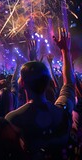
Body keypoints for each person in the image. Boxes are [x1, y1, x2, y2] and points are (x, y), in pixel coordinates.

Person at [5, 28, 75, 158]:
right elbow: (69, 83)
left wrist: (33, 59)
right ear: (48, 82)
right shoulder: (62, 110)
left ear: (22, 83)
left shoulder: (13, 119)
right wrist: (65, 50)